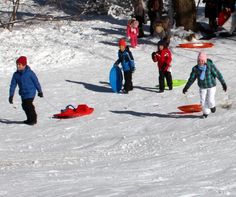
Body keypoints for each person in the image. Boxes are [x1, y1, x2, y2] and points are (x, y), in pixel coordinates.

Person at [183, 52, 227, 118]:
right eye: (199, 61)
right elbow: (191, 79)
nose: (201, 62)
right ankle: (206, 113)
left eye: (202, 61)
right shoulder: (195, 69)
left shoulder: (210, 66)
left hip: (211, 86)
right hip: (202, 87)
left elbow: (218, 74)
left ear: (205, 61)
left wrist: (223, 83)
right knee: (203, 102)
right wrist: (186, 87)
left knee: (210, 100)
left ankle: (212, 106)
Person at [9, 56, 43, 125]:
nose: (18, 66)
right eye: (17, 64)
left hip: (30, 92)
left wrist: (40, 91)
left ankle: (33, 119)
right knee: (24, 106)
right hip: (23, 94)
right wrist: (11, 95)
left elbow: (36, 82)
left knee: (28, 105)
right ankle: (29, 119)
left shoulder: (30, 73)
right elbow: (13, 85)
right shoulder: (16, 75)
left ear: (24, 65)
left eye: (20, 64)